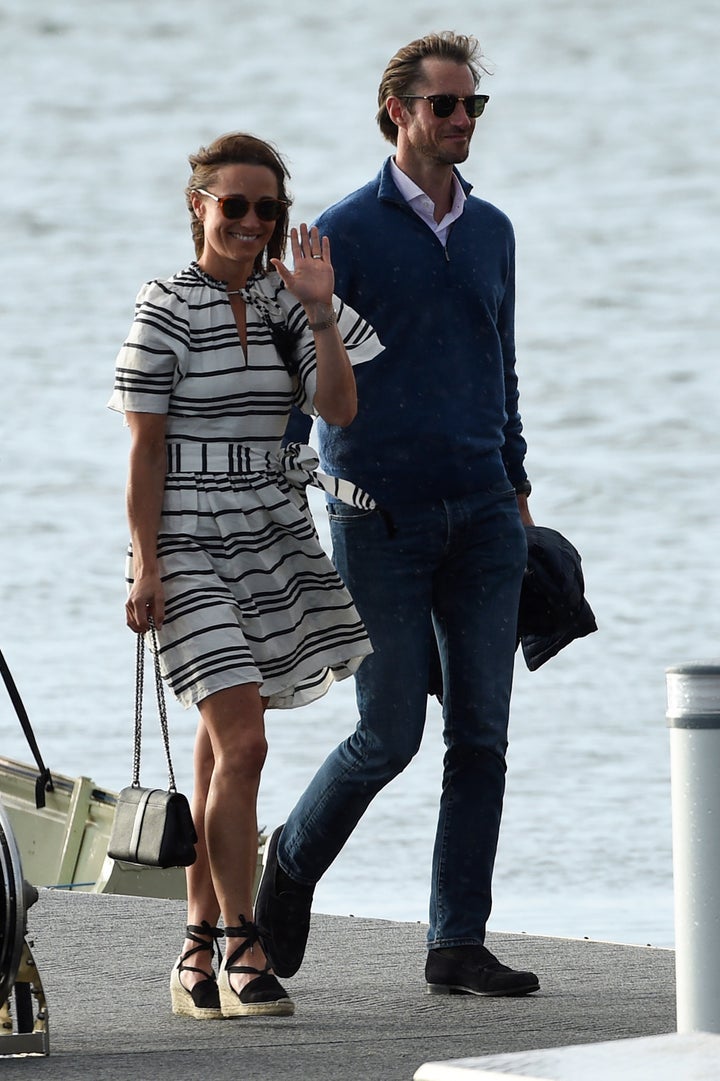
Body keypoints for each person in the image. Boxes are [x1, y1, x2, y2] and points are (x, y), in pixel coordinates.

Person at [256, 31, 541, 998]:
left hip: (485, 516)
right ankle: (288, 863)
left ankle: (455, 941)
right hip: (377, 519)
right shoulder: (342, 234)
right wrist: (268, 498)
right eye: (446, 106)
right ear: (399, 115)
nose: (463, 121)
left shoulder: (495, 230)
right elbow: (302, 380)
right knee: (388, 732)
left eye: (474, 108)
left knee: (483, 734)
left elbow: (500, 368)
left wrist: (518, 486)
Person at [108, 131, 382, 1020]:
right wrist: (146, 562)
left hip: (269, 532)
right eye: (235, 205)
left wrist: (320, 308)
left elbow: (337, 406)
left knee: (228, 740)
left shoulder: (285, 300)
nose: (252, 223)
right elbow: (144, 451)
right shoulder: (166, 306)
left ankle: (192, 947)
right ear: (199, 206)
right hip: (183, 537)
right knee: (246, 743)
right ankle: (239, 937)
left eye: (268, 209)